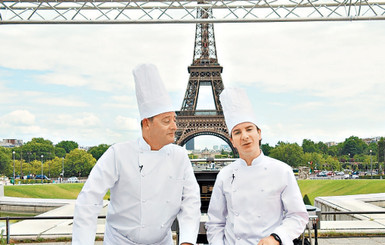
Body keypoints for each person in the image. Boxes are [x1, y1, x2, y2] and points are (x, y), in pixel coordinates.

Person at [72, 64, 201, 245]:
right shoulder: (117, 154)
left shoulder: (181, 157)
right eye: (166, 121)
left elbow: (191, 202)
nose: (174, 126)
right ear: (147, 123)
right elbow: (88, 201)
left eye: (174, 119)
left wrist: (187, 241)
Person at [206, 87, 308, 245]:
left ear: (259, 133)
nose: (245, 136)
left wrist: (276, 237)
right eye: (237, 132)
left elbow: (297, 216)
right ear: (232, 141)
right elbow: (215, 223)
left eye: (249, 129)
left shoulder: (282, 171)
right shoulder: (224, 174)